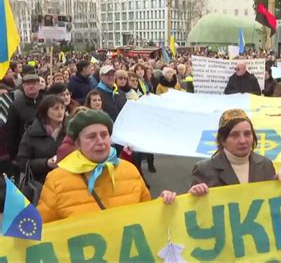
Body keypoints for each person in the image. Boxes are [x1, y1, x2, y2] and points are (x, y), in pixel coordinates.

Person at [37, 109, 175, 223]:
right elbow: (44, 229)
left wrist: (161, 204)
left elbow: (146, 215)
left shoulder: (130, 170)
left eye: (104, 135)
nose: (100, 142)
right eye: (91, 137)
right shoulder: (57, 179)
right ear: (77, 144)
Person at [188, 109, 281, 196]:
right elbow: (191, 209)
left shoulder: (265, 165)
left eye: (247, 134)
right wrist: (193, 194)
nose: (243, 140)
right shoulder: (204, 169)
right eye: (234, 135)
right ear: (223, 140)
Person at [16, 96, 66, 184]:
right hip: (41, 184)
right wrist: (46, 163)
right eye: (56, 108)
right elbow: (22, 162)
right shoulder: (32, 133)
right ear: (45, 111)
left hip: (67, 182)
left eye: (62, 108)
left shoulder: (70, 131)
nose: (60, 111)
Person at [5, 74, 43, 160]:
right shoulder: (16, 105)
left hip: (45, 151)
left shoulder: (46, 102)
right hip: (25, 152)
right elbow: (11, 133)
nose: (31, 86)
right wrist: (14, 156)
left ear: (39, 85)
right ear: (23, 86)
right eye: (27, 84)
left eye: (34, 83)